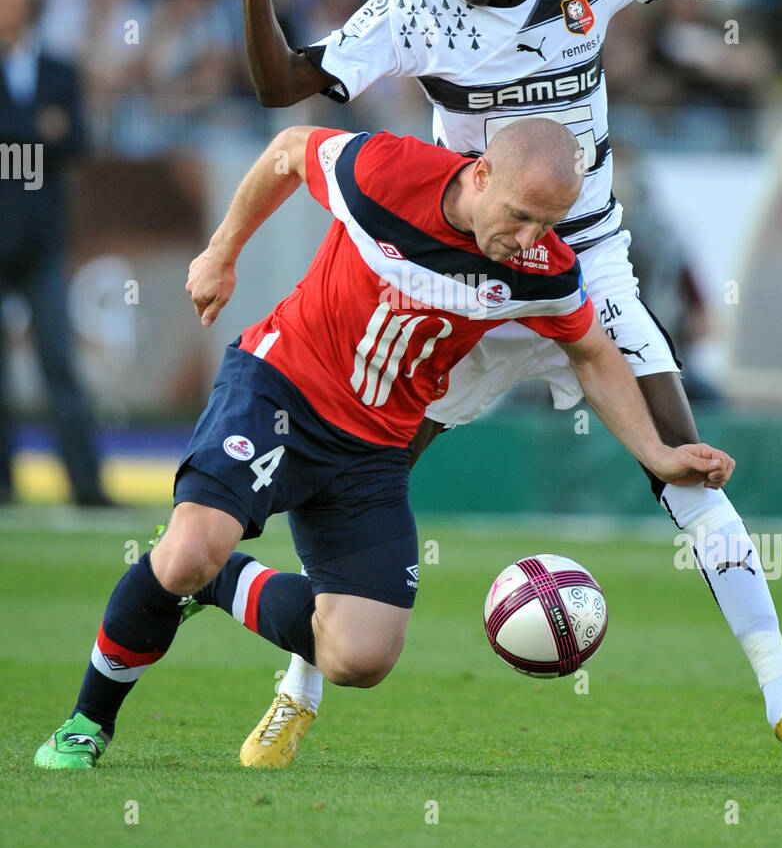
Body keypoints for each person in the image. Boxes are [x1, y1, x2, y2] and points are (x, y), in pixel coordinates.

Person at [194, 0, 782, 776]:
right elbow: (282, 86)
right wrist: (257, 2)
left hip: (586, 266)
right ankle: (297, 690)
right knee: (370, 470)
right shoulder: (416, 8)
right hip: (469, 279)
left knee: (686, 469)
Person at [34, 117, 737, 770]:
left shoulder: (542, 268)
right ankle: (87, 722)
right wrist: (222, 251)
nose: (529, 237)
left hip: (372, 451)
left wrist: (656, 453)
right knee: (186, 550)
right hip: (279, 391)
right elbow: (285, 150)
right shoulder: (385, 172)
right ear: (481, 174)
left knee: (359, 659)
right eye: (521, 215)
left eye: (547, 224)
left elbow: (595, 355)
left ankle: (221, 581)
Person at [0, 0, 114, 508]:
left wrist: (23, 136)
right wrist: (37, 130)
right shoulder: (48, 82)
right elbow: (50, 135)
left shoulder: (57, 68)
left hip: (42, 237)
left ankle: (86, 487)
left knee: (59, 364)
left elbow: (78, 141)